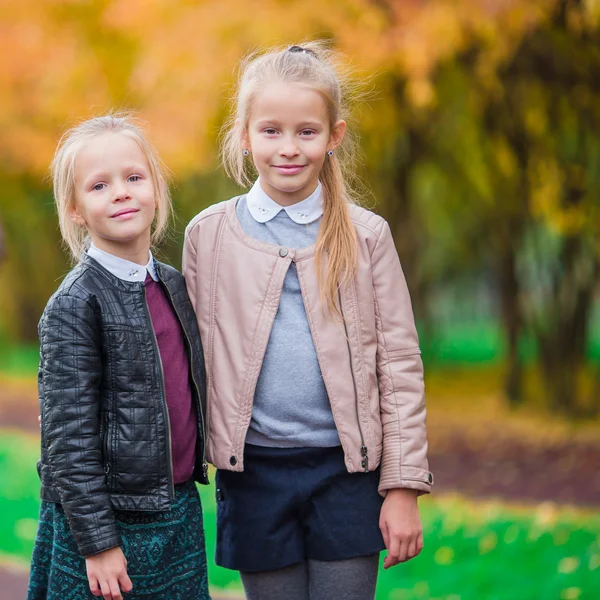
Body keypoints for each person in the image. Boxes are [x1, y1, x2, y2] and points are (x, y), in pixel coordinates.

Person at [183, 42, 433, 600]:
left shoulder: (368, 236)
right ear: (244, 135)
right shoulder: (209, 235)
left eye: (307, 132)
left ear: (334, 136)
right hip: (253, 476)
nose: (288, 149)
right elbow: (190, 361)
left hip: (347, 474)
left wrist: (403, 486)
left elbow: (398, 365)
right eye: (270, 131)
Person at [28, 115, 210, 600]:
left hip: (177, 513)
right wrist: (98, 542)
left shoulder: (173, 286)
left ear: (155, 188)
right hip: (103, 526)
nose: (122, 193)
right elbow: (67, 442)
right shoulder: (75, 304)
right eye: (100, 185)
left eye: (134, 178)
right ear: (76, 211)